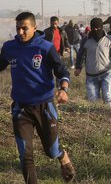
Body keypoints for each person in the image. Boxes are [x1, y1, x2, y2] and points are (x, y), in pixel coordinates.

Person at [0, 12, 75, 184]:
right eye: (18, 28)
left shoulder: (45, 48)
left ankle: (62, 156)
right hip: (21, 109)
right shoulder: (9, 47)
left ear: (34, 27)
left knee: (51, 151)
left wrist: (64, 89)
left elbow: (62, 71)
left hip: (44, 107)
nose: (20, 32)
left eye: (24, 28)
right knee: (25, 156)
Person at [74, 18, 111, 108]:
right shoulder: (86, 40)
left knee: (108, 99)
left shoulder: (109, 39)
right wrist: (78, 67)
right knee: (93, 104)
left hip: (106, 74)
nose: (96, 30)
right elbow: (80, 55)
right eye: (94, 28)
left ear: (102, 27)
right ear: (91, 28)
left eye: (98, 28)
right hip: (91, 77)